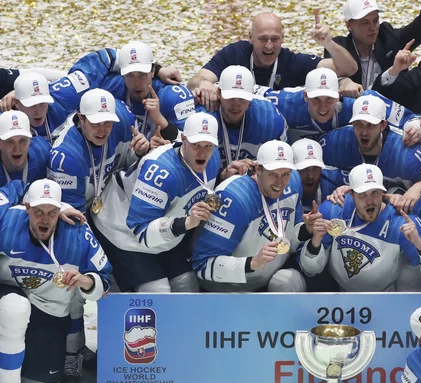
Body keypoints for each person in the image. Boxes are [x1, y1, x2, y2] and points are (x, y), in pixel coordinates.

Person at [0, 179, 111, 383]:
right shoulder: (7, 223)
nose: (45, 219)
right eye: (38, 211)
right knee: (14, 309)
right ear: (26, 208)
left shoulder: (78, 233)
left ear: (60, 211)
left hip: (47, 309)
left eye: (52, 212)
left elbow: (105, 279)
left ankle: (26, 359)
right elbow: (13, 186)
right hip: (9, 298)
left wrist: (86, 281)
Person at [89, 112, 221, 293]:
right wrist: (187, 222)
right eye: (196, 145)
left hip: (168, 226)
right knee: (158, 291)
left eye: (208, 145)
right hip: (122, 229)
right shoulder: (159, 171)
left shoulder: (213, 159)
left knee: (186, 285)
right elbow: (142, 232)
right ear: (183, 140)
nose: (202, 152)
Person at [299, 163, 421, 291]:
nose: (370, 201)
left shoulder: (403, 222)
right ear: (351, 194)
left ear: (383, 193)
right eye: (362, 194)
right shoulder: (333, 210)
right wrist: (315, 242)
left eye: (374, 193)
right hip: (338, 293)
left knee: (411, 274)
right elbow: (310, 270)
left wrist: (420, 245)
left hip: (387, 298)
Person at [192, 140, 307, 292]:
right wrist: (251, 263)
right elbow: (202, 265)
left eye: (285, 174)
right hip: (229, 287)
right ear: (258, 169)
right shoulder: (233, 198)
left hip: (266, 277)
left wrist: (307, 230)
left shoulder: (293, 182)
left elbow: (290, 236)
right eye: (273, 174)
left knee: (288, 280)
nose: (280, 182)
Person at [189, 11, 357, 110]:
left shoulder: (291, 61)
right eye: (263, 39)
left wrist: (328, 44)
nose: (269, 46)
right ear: (251, 38)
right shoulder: (234, 54)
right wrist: (204, 85)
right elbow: (195, 80)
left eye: (275, 39)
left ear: (283, 39)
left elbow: (347, 69)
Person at [66, 42, 197, 142]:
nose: (136, 83)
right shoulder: (110, 88)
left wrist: (160, 120)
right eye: (130, 75)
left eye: (142, 75)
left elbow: (192, 142)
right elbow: (78, 78)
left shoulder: (173, 95)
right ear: (122, 73)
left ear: (153, 71)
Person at [48, 88, 147, 212]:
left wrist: (140, 153)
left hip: (111, 200)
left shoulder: (125, 121)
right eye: (95, 123)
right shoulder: (67, 157)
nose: (102, 130)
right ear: (81, 118)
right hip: (82, 209)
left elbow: (128, 163)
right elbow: (71, 217)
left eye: (107, 122)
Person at [256, 67, 413, 143]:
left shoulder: (362, 103)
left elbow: (410, 119)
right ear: (305, 96)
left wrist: (416, 129)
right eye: (316, 99)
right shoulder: (286, 102)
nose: (323, 106)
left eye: (329, 99)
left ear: (338, 96)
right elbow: (252, 90)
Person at [318, 95, 421, 190]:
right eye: (358, 124)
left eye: (370, 125)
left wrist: (415, 191)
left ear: (382, 125)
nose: (364, 132)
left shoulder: (407, 154)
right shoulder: (336, 142)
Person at [332, 0, 421, 92]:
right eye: (365, 22)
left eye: (375, 21)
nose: (372, 28)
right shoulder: (338, 47)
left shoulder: (390, 39)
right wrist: (343, 81)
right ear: (349, 25)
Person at [208, 66, 287, 167]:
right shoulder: (202, 115)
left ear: (251, 96)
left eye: (242, 99)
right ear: (218, 93)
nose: (236, 105)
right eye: (231, 97)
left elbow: (282, 166)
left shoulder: (269, 118)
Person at [6, 72, 71, 145]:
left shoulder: (65, 96)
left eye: (42, 103)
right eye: (31, 105)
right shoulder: (4, 122)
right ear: (17, 102)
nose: (38, 111)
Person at [291, 138, 346, 213]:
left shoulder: (334, 177)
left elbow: (363, 183)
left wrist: (345, 189)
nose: (310, 175)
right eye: (304, 169)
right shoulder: (281, 187)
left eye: (315, 168)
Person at [0, 111, 50, 187]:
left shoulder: (43, 151)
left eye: (22, 140)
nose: (17, 148)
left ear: (30, 140)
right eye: (9, 141)